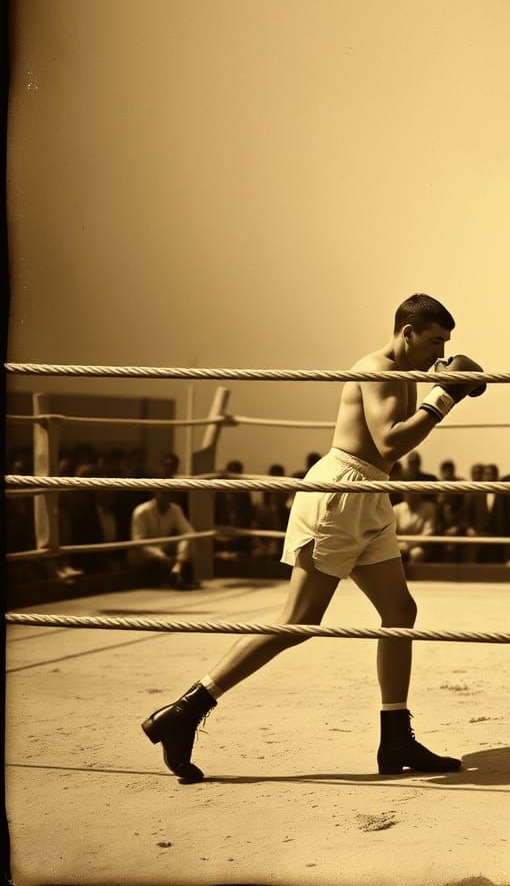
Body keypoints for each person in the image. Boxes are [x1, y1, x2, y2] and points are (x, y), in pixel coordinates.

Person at [142, 294, 483, 784]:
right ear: (407, 332)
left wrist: (440, 386)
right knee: (299, 621)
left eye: (446, 345)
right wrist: (443, 395)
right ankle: (186, 710)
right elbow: (390, 441)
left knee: (400, 613)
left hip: (372, 495)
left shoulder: (408, 373)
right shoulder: (378, 369)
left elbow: (389, 450)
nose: (440, 353)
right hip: (341, 493)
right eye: (434, 341)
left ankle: (395, 736)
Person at [129, 490, 200, 588]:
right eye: (164, 493)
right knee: (156, 559)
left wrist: (179, 558)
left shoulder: (175, 510)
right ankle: (175, 578)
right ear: (156, 493)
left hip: (167, 552)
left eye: (170, 493)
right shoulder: (141, 511)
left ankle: (177, 569)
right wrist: (158, 554)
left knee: (189, 537)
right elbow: (138, 542)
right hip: (144, 554)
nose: (168, 497)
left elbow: (188, 531)